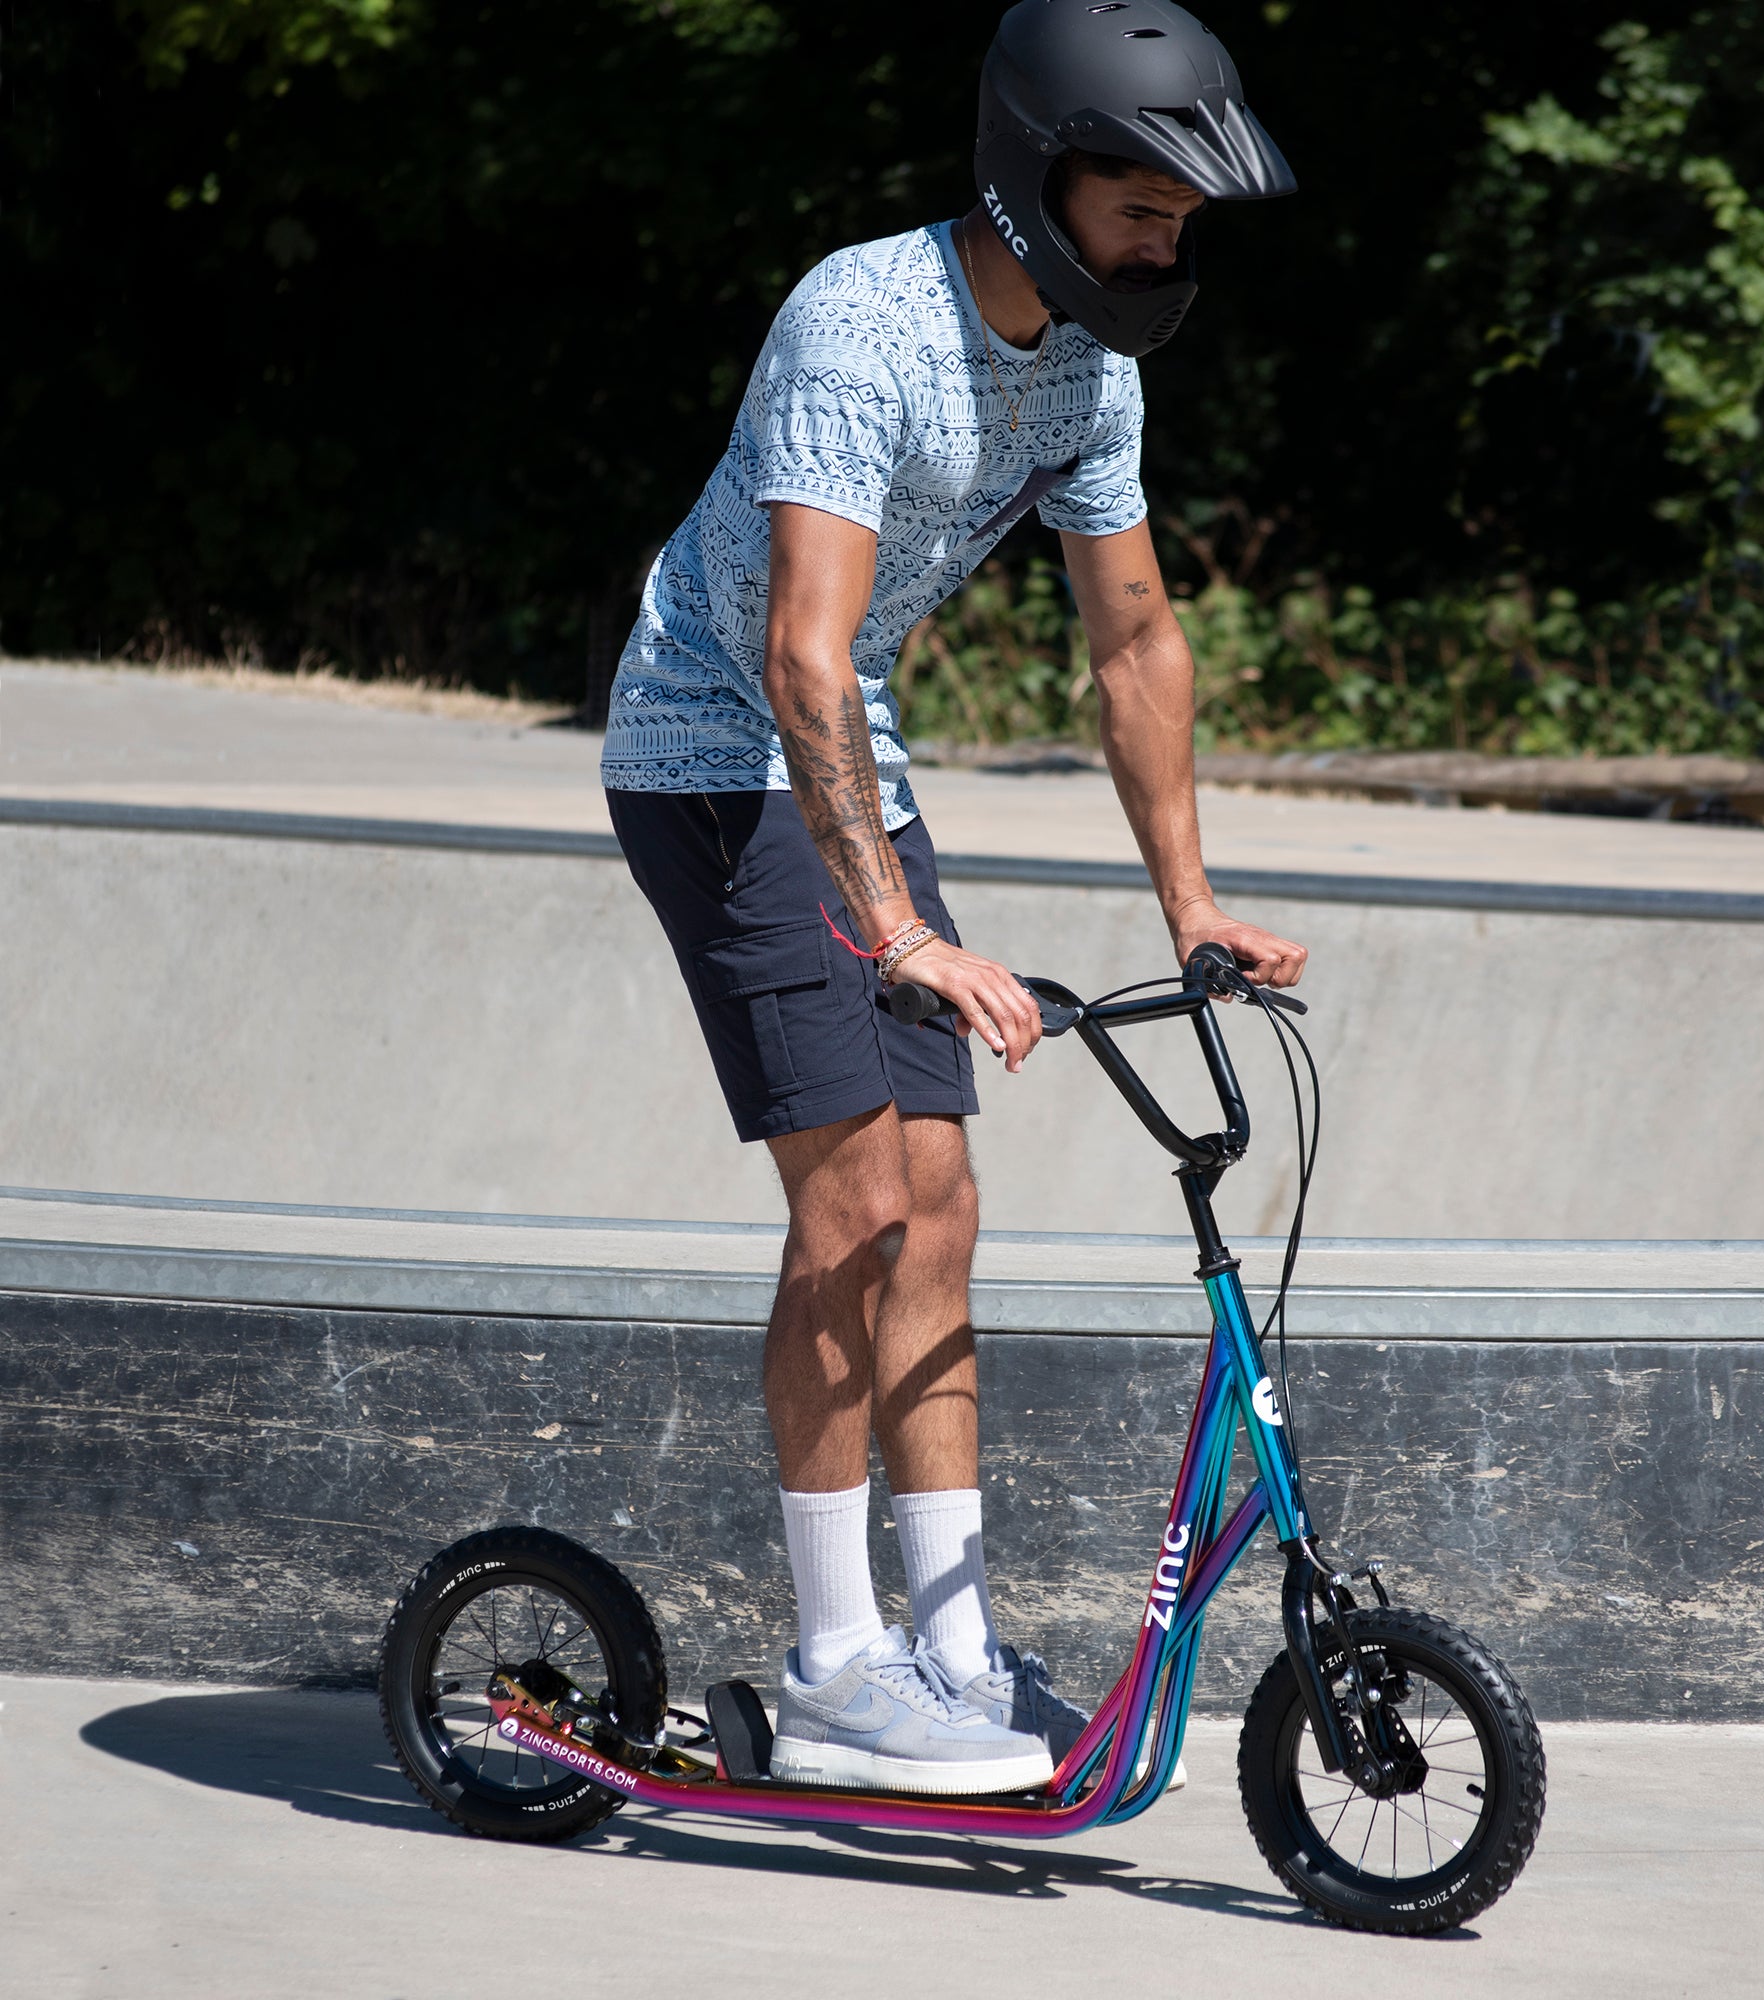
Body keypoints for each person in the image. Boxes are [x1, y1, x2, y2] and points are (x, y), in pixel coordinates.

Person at [602, 0, 1304, 1796]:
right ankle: (838, 1668)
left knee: (942, 1201)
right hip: (714, 752)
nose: (1167, 247)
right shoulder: (863, 323)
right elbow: (801, 657)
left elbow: (1135, 638)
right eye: (1143, 208)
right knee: (850, 1206)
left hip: (850, 764)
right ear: (1033, 182)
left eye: (1183, 220)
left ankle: (954, 1642)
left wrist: (1192, 905)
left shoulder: (1089, 364)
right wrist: (902, 930)